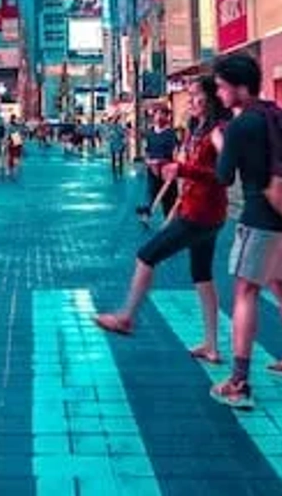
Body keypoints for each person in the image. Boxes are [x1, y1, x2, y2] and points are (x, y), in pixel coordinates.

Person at [210, 54, 282, 410]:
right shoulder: (274, 112)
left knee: (245, 292)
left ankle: (239, 382)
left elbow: (224, 177)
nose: (219, 93)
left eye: (222, 87)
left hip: (260, 216)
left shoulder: (241, 126)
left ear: (240, 87)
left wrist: (219, 143)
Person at [95, 78, 229, 362]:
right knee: (202, 276)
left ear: (211, 99)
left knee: (146, 255)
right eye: (190, 96)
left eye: (195, 96)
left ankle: (127, 317)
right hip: (204, 211)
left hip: (200, 214)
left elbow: (223, 173)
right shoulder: (198, 129)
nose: (190, 101)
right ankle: (212, 345)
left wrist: (181, 169)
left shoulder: (217, 131)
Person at [139, 106, 179, 221]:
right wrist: (148, 161)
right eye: (156, 114)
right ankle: (146, 215)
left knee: (169, 199)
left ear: (167, 116)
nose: (158, 117)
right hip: (152, 170)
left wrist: (163, 162)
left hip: (167, 171)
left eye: (162, 114)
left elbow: (175, 153)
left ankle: (170, 221)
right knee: (150, 193)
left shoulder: (170, 133)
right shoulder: (150, 132)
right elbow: (147, 149)